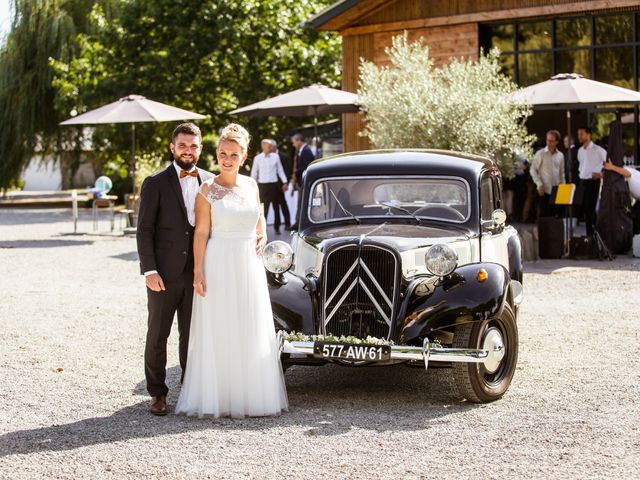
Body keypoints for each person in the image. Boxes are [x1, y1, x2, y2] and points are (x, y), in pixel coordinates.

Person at [175, 123, 288, 418]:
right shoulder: (207, 190)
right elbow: (200, 234)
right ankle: (220, 396)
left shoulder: (251, 185)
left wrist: (261, 235)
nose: (227, 159)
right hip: (219, 260)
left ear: (244, 156)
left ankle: (249, 395)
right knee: (221, 325)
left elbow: (259, 220)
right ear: (216, 154)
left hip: (248, 264)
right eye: (223, 153)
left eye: (233, 154)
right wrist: (198, 271)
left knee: (247, 323)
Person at [136, 123, 214, 416]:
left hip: (197, 273)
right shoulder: (155, 182)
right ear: (172, 148)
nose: (188, 151)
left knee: (193, 335)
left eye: (193, 146)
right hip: (164, 274)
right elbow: (144, 230)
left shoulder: (211, 182)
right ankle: (157, 393)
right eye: (182, 145)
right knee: (157, 334)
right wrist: (149, 270)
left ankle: (190, 391)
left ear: (200, 149)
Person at [250, 139, 288, 234]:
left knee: (276, 208)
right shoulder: (257, 158)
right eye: (269, 146)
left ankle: (277, 228)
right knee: (263, 209)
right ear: (263, 146)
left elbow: (280, 170)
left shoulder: (276, 157)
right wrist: (251, 185)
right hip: (263, 186)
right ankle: (262, 230)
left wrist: (285, 182)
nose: (271, 147)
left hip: (274, 185)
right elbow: (254, 172)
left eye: (271, 146)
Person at [577, 126, 607, 236]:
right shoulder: (580, 151)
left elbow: (609, 165)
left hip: (593, 182)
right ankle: (589, 235)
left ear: (589, 135)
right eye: (579, 134)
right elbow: (582, 166)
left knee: (590, 210)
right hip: (582, 182)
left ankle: (593, 236)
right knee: (584, 210)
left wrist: (601, 174)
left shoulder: (598, 150)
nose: (579, 136)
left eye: (582, 134)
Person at [530, 130, 565, 218]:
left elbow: (562, 173)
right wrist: (539, 184)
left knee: (556, 216)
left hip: (557, 190)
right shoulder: (540, 154)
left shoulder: (560, 155)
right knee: (544, 216)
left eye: (551, 141)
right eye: (547, 140)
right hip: (544, 190)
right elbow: (533, 169)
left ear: (557, 142)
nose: (549, 143)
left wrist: (563, 188)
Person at [289, 133, 315, 230]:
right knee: (300, 203)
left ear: (299, 140)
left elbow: (306, 166)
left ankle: (298, 224)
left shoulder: (306, 151)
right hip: (301, 181)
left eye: (294, 142)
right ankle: (297, 223)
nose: (293, 145)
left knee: (301, 203)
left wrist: (296, 172)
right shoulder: (303, 150)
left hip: (303, 181)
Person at [269, 139, 292, 231]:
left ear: (274, 147)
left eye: (271, 147)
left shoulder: (284, 156)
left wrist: (286, 183)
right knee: (275, 206)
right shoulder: (269, 157)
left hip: (281, 185)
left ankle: (287, 223)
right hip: (272, 186)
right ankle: (276, 226)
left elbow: (287, 171)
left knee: (283, 205)